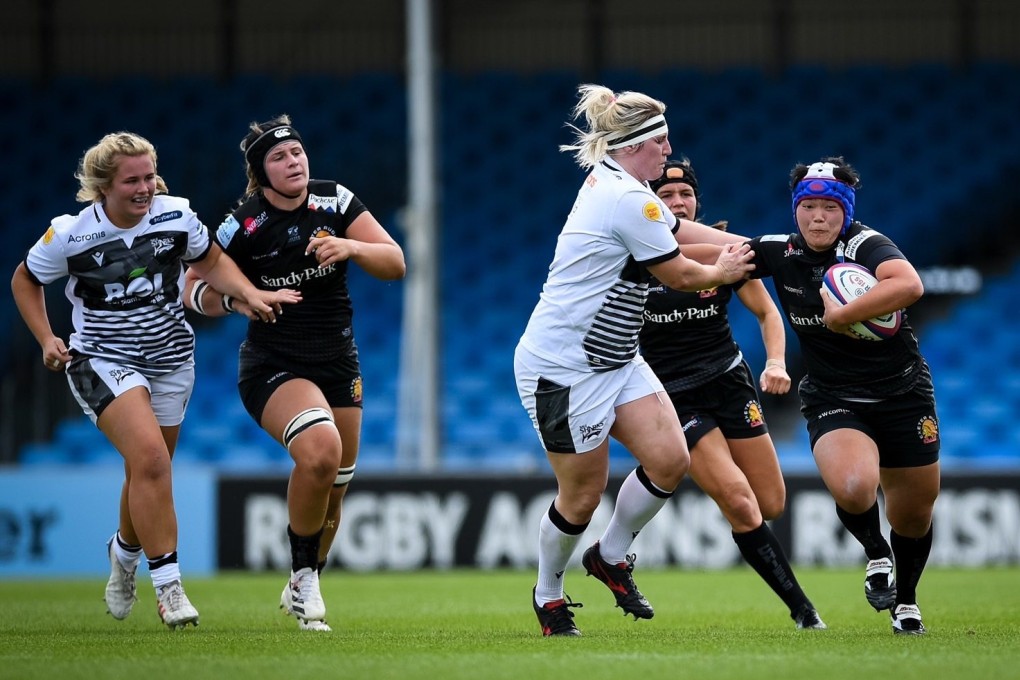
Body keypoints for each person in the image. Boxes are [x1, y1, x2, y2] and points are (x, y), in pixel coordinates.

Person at [10, 131, 299, 630]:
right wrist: (45, 338)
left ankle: (123, 556)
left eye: (149, 176)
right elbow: (25, 279)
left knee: (149, 470)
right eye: (131, 181)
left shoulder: (175, 216)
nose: (144, 188)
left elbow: (208, 260)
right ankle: (169, 587)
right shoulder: (72, 234)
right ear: (104, 186)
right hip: (102, 358)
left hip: (170, 357)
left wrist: (248, 294)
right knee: (149, 459)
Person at [514, 84, 756, 637]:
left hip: (616, 357)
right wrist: (727, 270)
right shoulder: (628, 198)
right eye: (662, 141)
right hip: (564, 369)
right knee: (581, 493)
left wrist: (757, 245)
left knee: (671, 459)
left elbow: (677, 231)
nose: (669, 151)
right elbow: (681, 272)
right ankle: (548, 591)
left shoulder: (623, 186)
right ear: (634, 146)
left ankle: (610, 556)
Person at [184, 114, 406, 632]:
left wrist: (351, 247)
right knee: (320, 452)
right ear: (260, 174)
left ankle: (305, 575)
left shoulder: (335, 201)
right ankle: (305, 575)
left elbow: (395, 262)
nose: (294, 162)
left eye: (298, 152)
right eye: (279, 157)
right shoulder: (242, 224)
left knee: (335, 486)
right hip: (274, 365)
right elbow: (191, 288)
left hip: (339, 362)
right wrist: (241, 300)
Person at [743, 156, 939, 635]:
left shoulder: (866, 243)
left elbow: (909, 284)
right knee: (853, 486)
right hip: (835, 395)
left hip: (904, 392)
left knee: (913, 514)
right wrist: (662, 221)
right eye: (808, 206)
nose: (818, 217)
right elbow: (720, 248)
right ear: (796, 210)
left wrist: (841, 314)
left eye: (830, 207)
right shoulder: (778, 251)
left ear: (845, 211)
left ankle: (907, 602)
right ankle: (876, 554)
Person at [642, 158, 825, 630]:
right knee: (741, 501)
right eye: (666, 198)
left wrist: (778, 362)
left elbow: (768, 314)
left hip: (729, 381)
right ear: (650, 205)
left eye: (685, 196)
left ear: (697, 199)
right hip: (674, 396)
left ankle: (723, 489)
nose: (678, 204)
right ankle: (804, 611)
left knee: (771, 503)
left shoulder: (724, 248)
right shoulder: (636, 253)